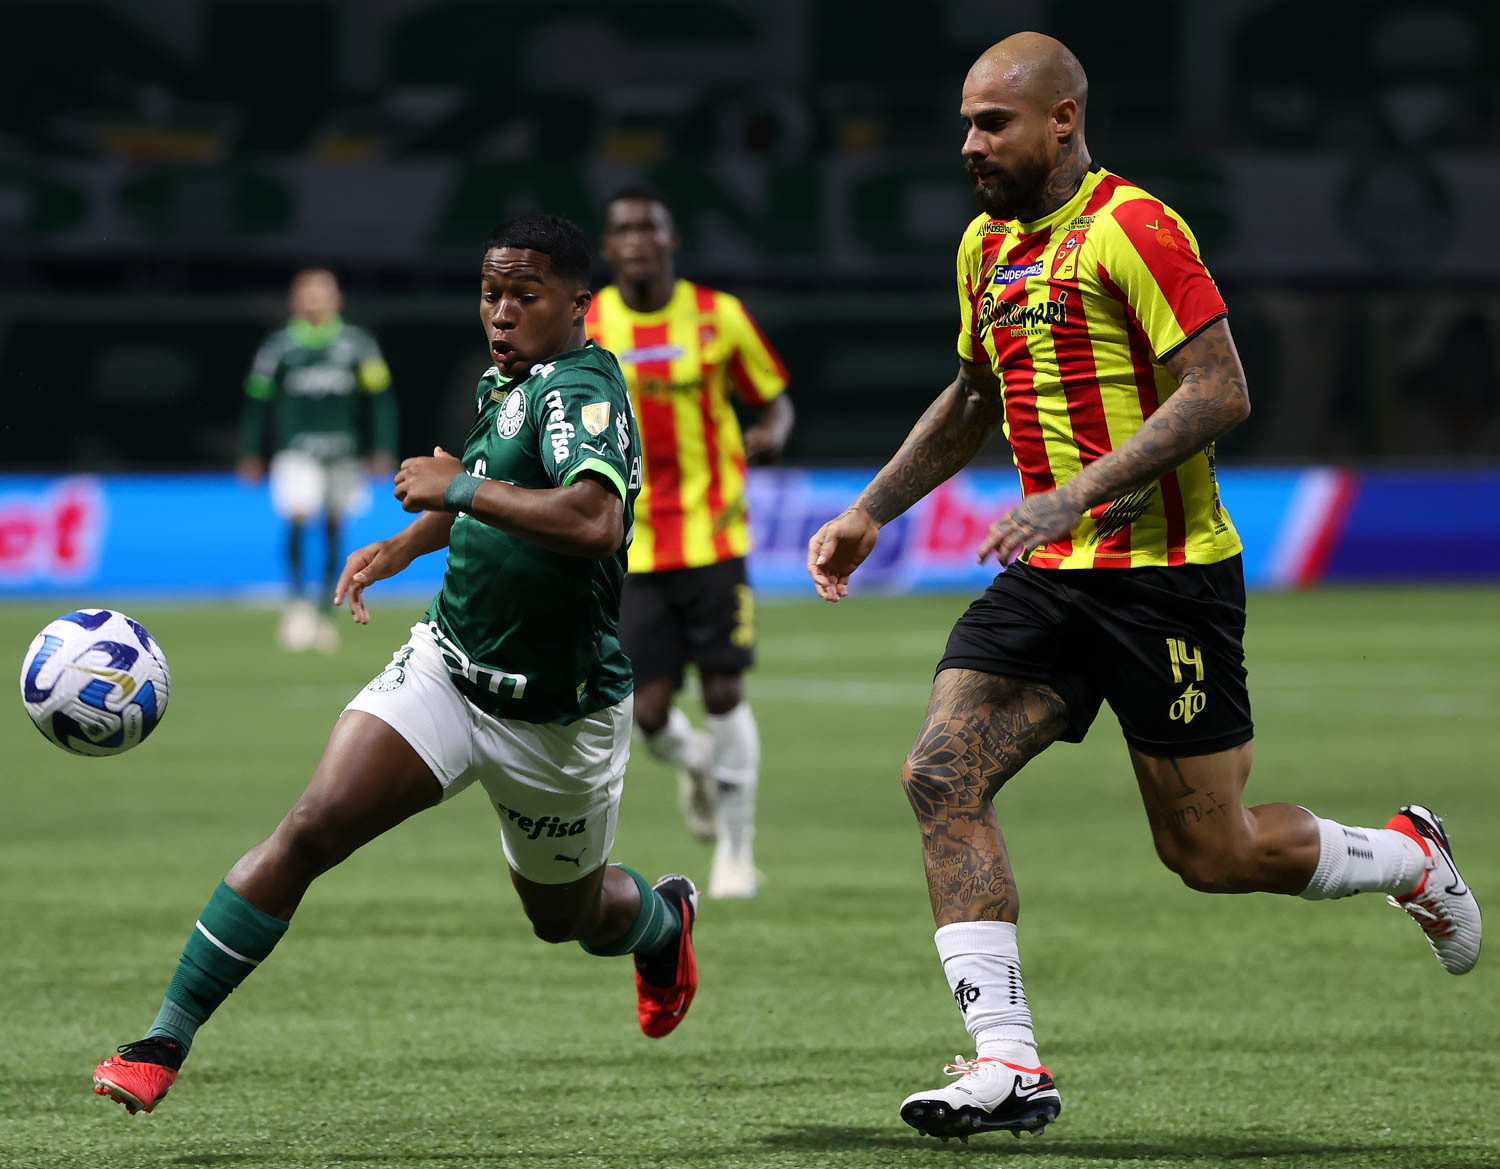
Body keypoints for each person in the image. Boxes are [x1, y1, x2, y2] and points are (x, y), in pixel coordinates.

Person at [807, 32, 1481, 1144]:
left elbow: (1221, 390)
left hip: (1168, 583)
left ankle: (1409, 853)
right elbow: (975, 394)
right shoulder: (986, 247)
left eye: (993, 123)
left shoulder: (1138, 226)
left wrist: (1074, 493)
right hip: (1045, 580)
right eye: (967, 122)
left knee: (1210, 854)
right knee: (939, 771)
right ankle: (1007, 1060)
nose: (970, 144)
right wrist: (873, 508)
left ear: (1063, 119)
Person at [93, 215, 700, 1117]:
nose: (500, 312)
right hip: (448, 673)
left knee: (564, 919)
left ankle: (661, 921)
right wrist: (406, 542)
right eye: (491, 294)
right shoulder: (513, 382)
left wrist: (452, 487)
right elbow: (494, 490)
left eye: (524, 296)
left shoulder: (585, 388)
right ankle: (162, 1039)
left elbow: (589, 522)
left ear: (578, 303)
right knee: (312, 823)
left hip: (556, 718)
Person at [587, 186, 794, 899]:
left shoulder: (720, 316)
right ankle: (698, 763)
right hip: (631, 545)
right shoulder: (589, 325)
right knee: (645, 714)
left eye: (651, 225)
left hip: (715, 535)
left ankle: (737, 851)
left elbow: (774, 396)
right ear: (608, 247)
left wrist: (771, 433)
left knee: (727, 690)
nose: (638, 238)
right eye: (623, 229)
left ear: (671, 239)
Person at [237, 268, 398, 653]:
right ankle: (295, 605)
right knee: (296, 516)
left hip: (344, 452)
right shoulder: (278, 347)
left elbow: (381, 400)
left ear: (336, 299)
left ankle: (325, 612)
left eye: (323, 293)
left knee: (333, 526)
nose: (315, 300)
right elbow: (257, 402)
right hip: (297, 452)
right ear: (295, 300)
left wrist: (382, 447)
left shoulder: (359, 344)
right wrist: (250, 452)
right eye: (308, 293)